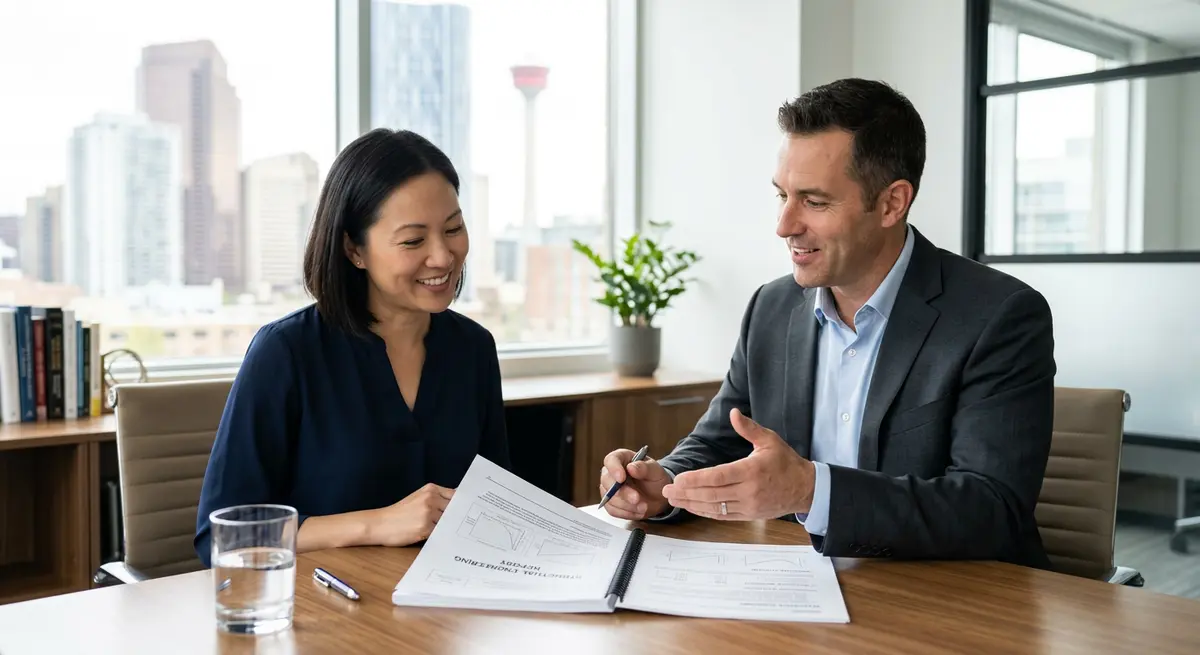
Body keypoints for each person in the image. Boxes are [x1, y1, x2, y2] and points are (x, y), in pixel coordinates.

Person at [598, 78, 1056, 568]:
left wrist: (812, 491)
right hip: (799, 582)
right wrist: (665, 483)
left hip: (948, 594)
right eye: (782, 195)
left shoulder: (1000, 315)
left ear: (892, 203)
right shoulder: (772, 307)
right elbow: (720, 441)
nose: (785, 225)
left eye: (814, 202)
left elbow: (991, 509)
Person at [194, 128, 510, 567]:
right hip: (328, 604)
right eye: (413, 240)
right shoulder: (285, 352)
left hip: (448, 600)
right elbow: (223, 535)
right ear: (353, 249)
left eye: (454, 228)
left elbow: (497, 504)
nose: (443, 256)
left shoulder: (473, 348)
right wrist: (377, 524)